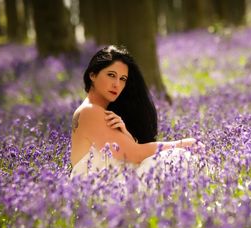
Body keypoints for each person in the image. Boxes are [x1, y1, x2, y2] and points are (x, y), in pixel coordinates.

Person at [70, 45, 197, 178]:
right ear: (92, 75)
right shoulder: (90, 111)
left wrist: (126, 134)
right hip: (99, 192)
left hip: (111, 188)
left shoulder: (99, 112)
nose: (117, 84)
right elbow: (135, 154)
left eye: (122, 79)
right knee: (180, 157)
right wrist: (181, 144)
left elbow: (127, 154)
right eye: (111, 75)